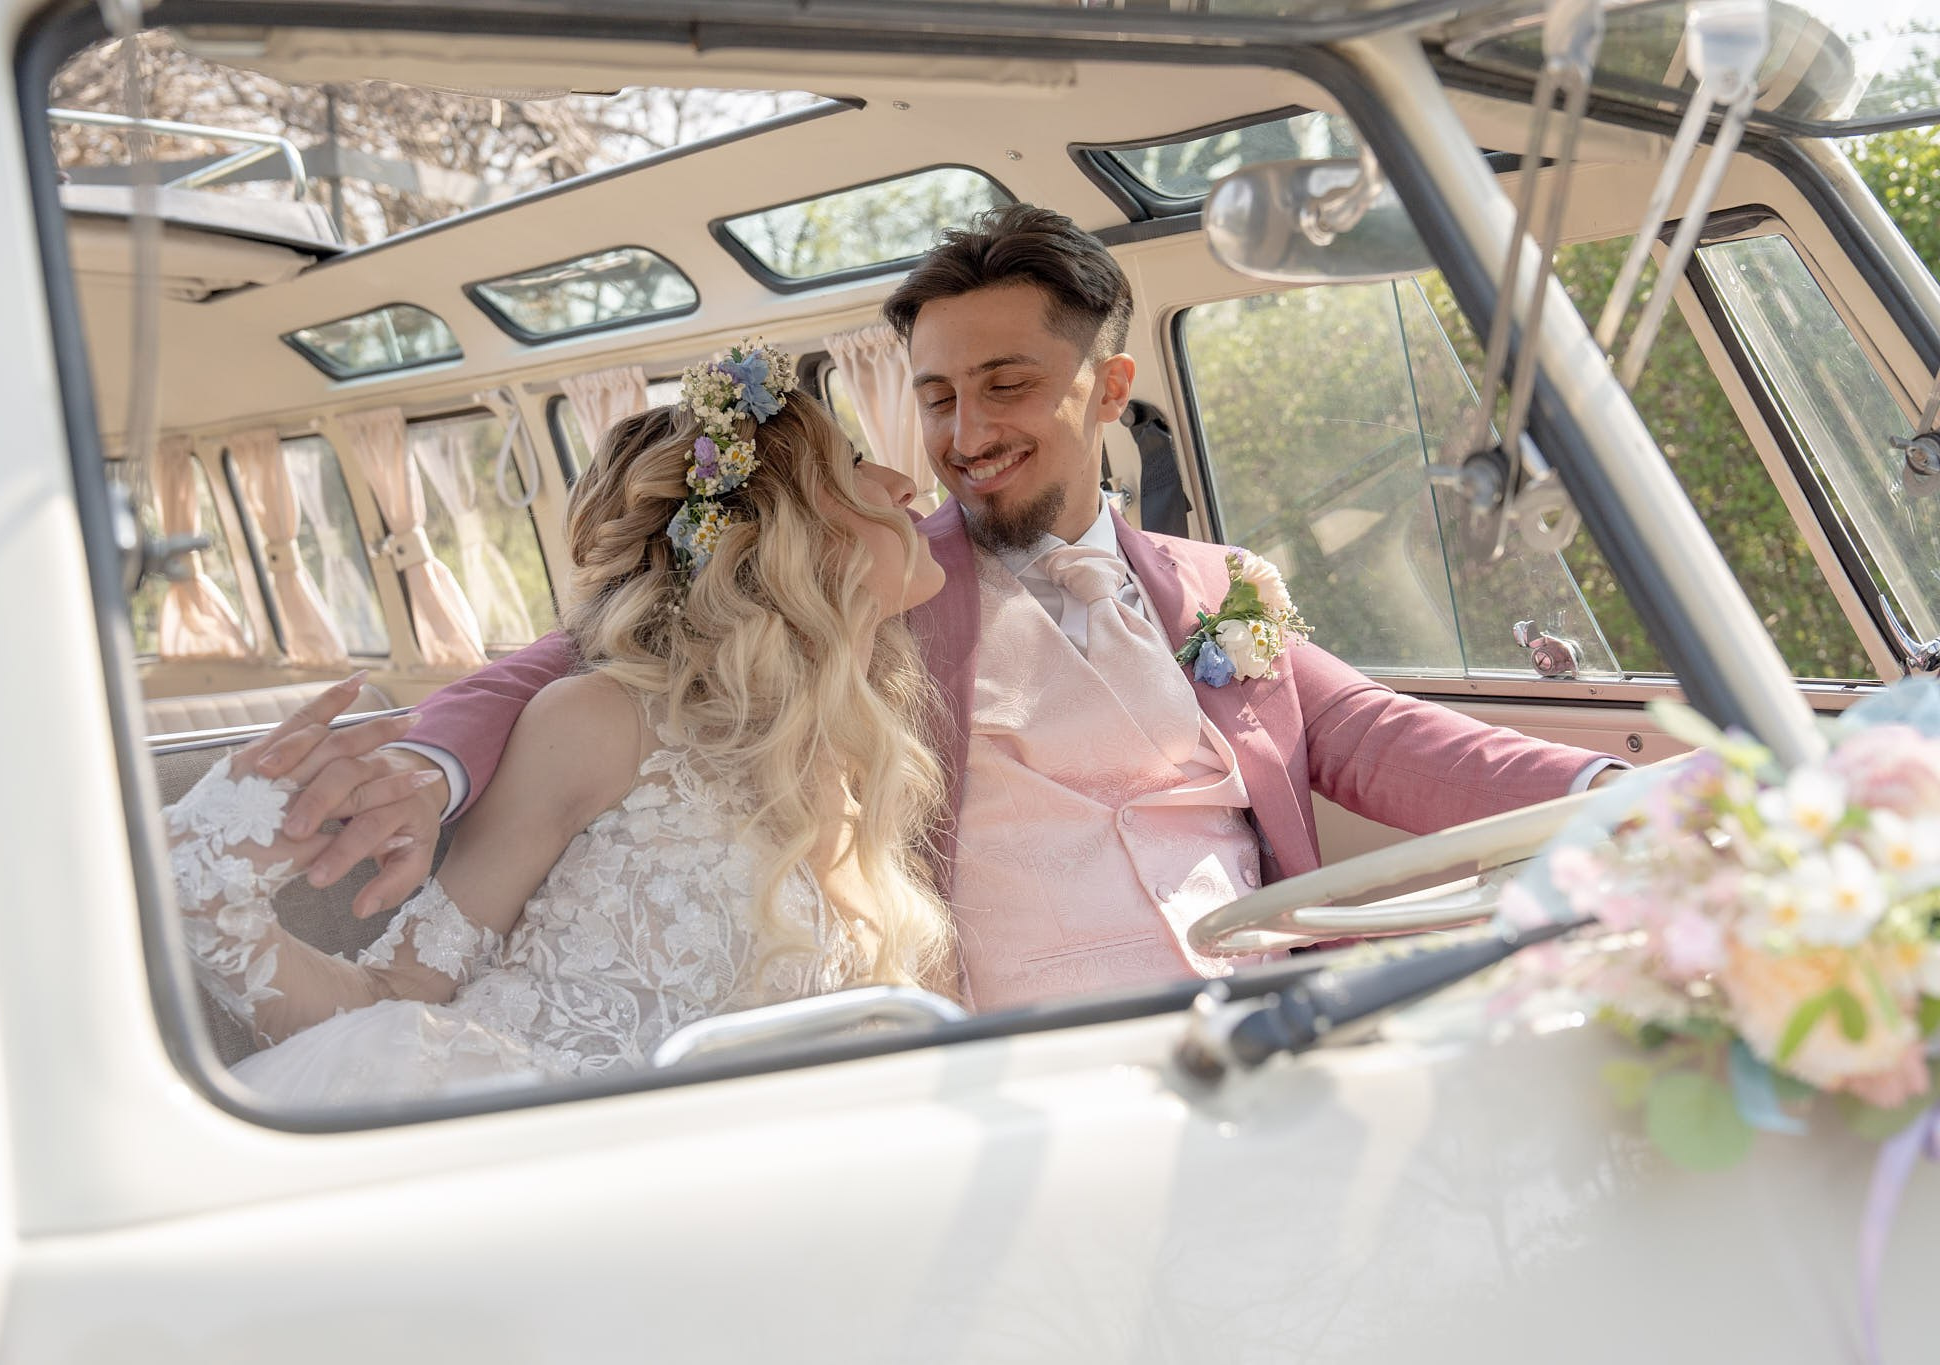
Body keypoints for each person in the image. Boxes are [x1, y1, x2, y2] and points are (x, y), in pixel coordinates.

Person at [324, 206, 1624, 1012]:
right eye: (938, 396)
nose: (962, 433)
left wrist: (1641, 793)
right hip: (1006, 1040)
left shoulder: (1227, 593)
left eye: (1006, 385)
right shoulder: (871, 584)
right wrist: (429, 760)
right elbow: (607, 641)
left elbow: (1395, 744)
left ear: (1108, 389)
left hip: (1257, 1011)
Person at [169, 343, 955, 1100]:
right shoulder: (604, 723)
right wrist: (212, 896)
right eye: (853, 465)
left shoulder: (861, 756)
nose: (899, 482)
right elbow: (396, 993)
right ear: (788, 527)